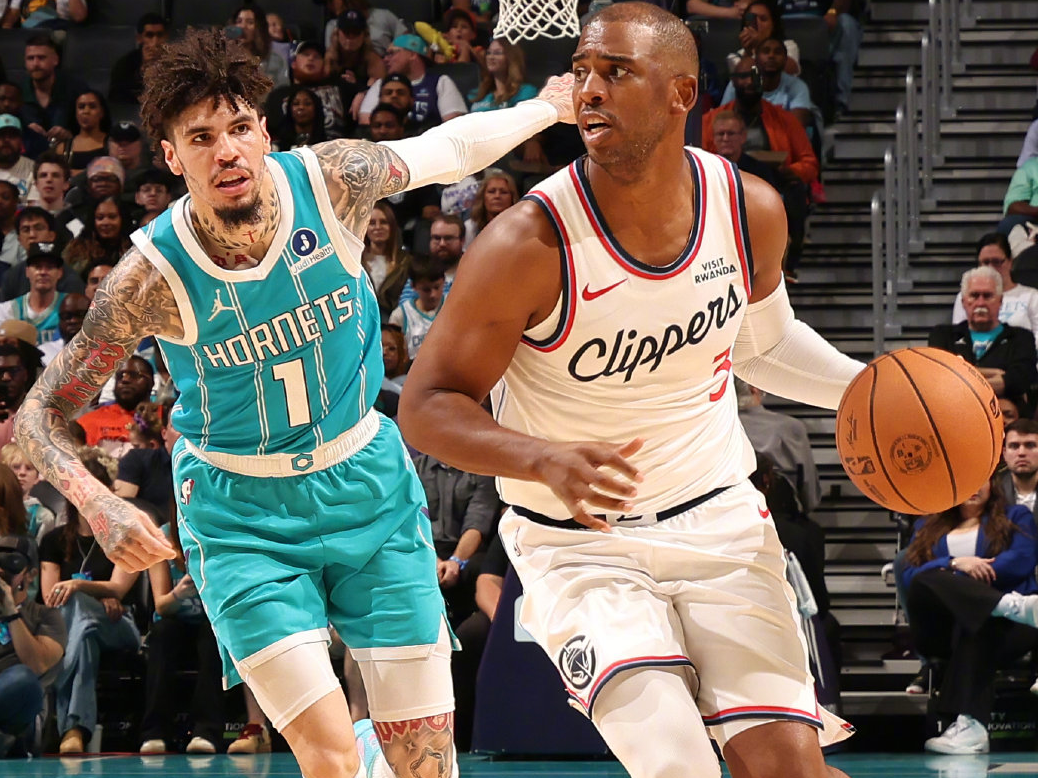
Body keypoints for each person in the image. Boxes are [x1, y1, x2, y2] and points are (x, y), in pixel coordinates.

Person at [15, 26, 573, 778]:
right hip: (241, 513)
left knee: (426, 763)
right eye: (202, 138)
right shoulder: (149, 277)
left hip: (366, 485)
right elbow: (38, 414)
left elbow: (450, 147)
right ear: (174, 157)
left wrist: (547, 106)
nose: (228, 152)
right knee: (330, 758)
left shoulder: (331, 183)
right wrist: (98, 503)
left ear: (264, 132)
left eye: (240, 128)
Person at [399, 5, 864, 777]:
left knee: (787, 767)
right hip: (581, 546)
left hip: (719, 521)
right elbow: (426, 406)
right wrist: (539, 457)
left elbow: (764, 345)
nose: (589, 90)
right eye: (582, 71)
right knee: (678, 765)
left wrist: (870, 387)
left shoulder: (748, 208)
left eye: (617, 72)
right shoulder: (526, 242)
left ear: (682, 93)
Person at [901, 476, 1038, 754]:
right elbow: (910, 574)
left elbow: (1022, 560)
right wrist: (955, 564)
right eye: (967, 481)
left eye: (980, 481)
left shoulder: (1016, 516)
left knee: (977, 625)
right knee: (924, 579)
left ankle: (971, 728)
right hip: (942, 628)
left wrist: (964, 577)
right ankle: (1006, 604)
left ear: (992, 485)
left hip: (1008, 628)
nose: (974, 488)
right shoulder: (926, 524)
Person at [39, 457, 142, 755]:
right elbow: (51, 597)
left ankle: (57, 675)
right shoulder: (53, 541)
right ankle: (74, 731)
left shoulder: (126, 536)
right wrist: (94, 594)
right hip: (76, 628)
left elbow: (118, 588)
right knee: (84, 637)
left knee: (77, 604)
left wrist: (80, 587)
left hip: (120, 623)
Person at [929, 266, 1038, 418]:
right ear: (964, 301)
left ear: (1000, 301)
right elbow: (939, 377)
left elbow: (1020, 379)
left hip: (1007, 421)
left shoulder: (1021, 337)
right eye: (974, 296)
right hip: (954, 417)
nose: (980, 303)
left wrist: (963, 377)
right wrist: (998, 374)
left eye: (987, 296)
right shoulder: (942, 335)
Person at [0, 533, 66, 759]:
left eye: (10, 566)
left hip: (21, 712)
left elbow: (36, 665)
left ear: (30, 575)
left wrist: (10, 612)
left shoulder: (46, 616)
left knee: (23, 679)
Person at [735, 377, 820, 511]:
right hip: (780, 514)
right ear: (754, 388)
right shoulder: (790, 427)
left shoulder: (716, 429)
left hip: (727, 515)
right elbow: (810, 496)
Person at [358, 35, 468, 128]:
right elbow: (366, 123)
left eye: (392, 53)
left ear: (412, 54)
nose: (386, 59)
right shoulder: (381, 84)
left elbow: (453, 126)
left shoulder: (440, 82)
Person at [951, 232, 1038, 349]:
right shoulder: (966, 295)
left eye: (996, 262)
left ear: (1010, 262)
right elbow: (959, 336)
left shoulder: (1032, 296)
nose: (991, 267)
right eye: (985, 262)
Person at [0, 242, 67, 345]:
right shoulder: (7, 310)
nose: (43, 272)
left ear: (60, 272)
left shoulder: (69, 307)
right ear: (27, 271)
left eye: (50, 267)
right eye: (37, 267)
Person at [389, 255, 446, 360]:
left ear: (444, 281)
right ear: (413, 286)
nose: (433, 294)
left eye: (437, 287)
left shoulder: (454, 307)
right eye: (426, 290)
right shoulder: (400, 316)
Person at [363, 200, 411, 320]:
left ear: (392, 227)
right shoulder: (357, 261)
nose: (378, 227)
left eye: (383, 222)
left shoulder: (406, 261)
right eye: (372, 223)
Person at [109, 13, 170, 106]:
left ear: (166, 36)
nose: (155, 42)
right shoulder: (125, 64)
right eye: (149, 35)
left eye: (160, 35)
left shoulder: (177, 60)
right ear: (139, 38)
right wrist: (143, 69)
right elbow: (116, 97)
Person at [56, 90, 111, 176]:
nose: (86, 111)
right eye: (81, 107)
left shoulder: (112, 144)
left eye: (92, 107)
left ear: (102, 112)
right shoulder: (63, 148)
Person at [463, 169, 518, 247]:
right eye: (491, 192)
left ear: (512, 198)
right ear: (483, 197)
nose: (497, 196)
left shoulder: (522, 227)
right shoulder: (471, 227)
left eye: (503, 192)